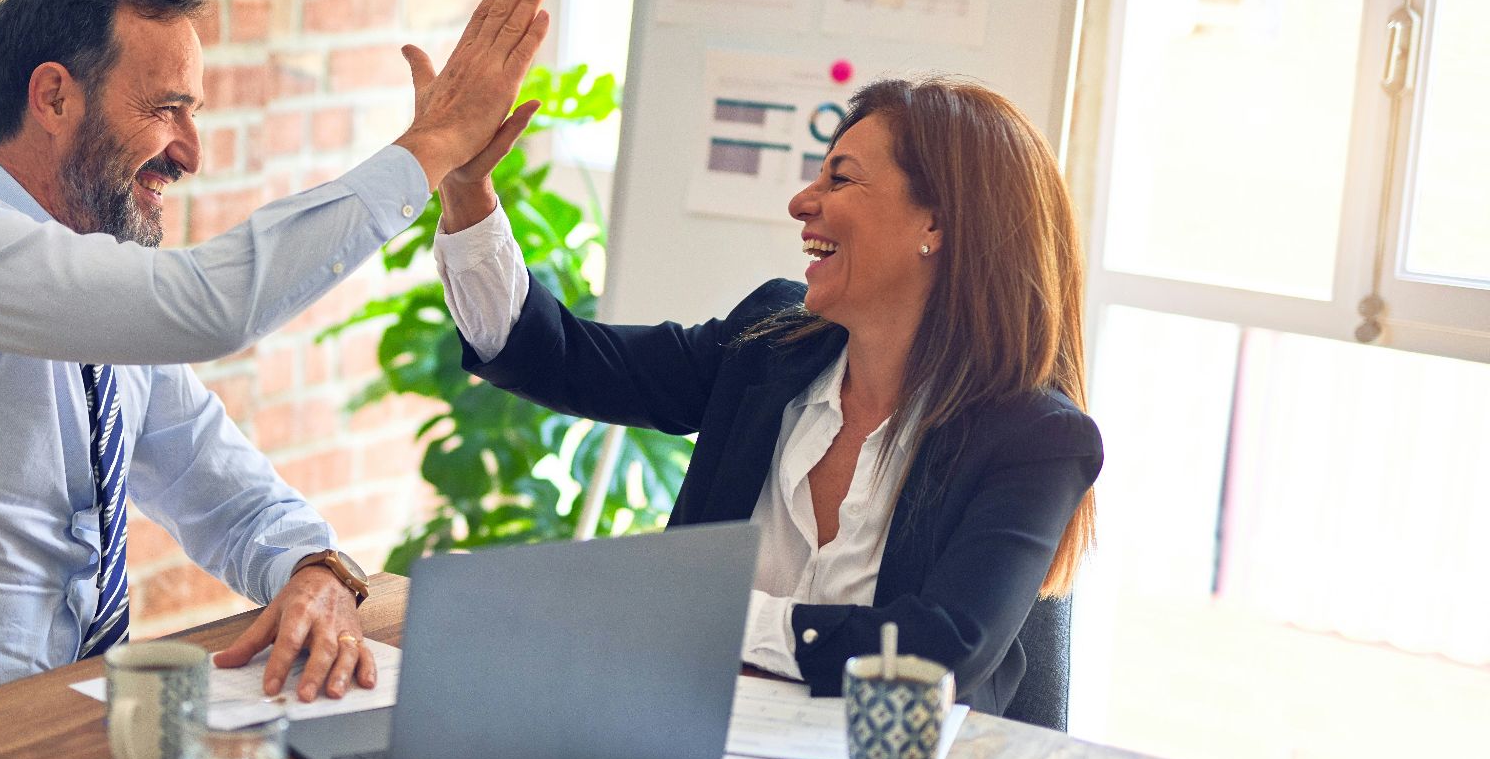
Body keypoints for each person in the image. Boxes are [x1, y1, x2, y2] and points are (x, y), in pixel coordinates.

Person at [0, 0, 548, 733]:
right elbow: (211, 306)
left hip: (45, 748)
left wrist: (316, 569)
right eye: (167, 108)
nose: (190, 153)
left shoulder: (107, 320)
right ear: (55, 98)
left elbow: (230, 496)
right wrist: (432, 146)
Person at [433, 75, 1102, 713]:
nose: (802, 202)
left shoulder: (1036, 440)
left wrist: (709, 615)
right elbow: (561, 358)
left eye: (839, 178)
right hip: (694, 748)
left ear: (937, 225)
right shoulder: (769, 346)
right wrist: (467, 190)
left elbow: (934, 656)